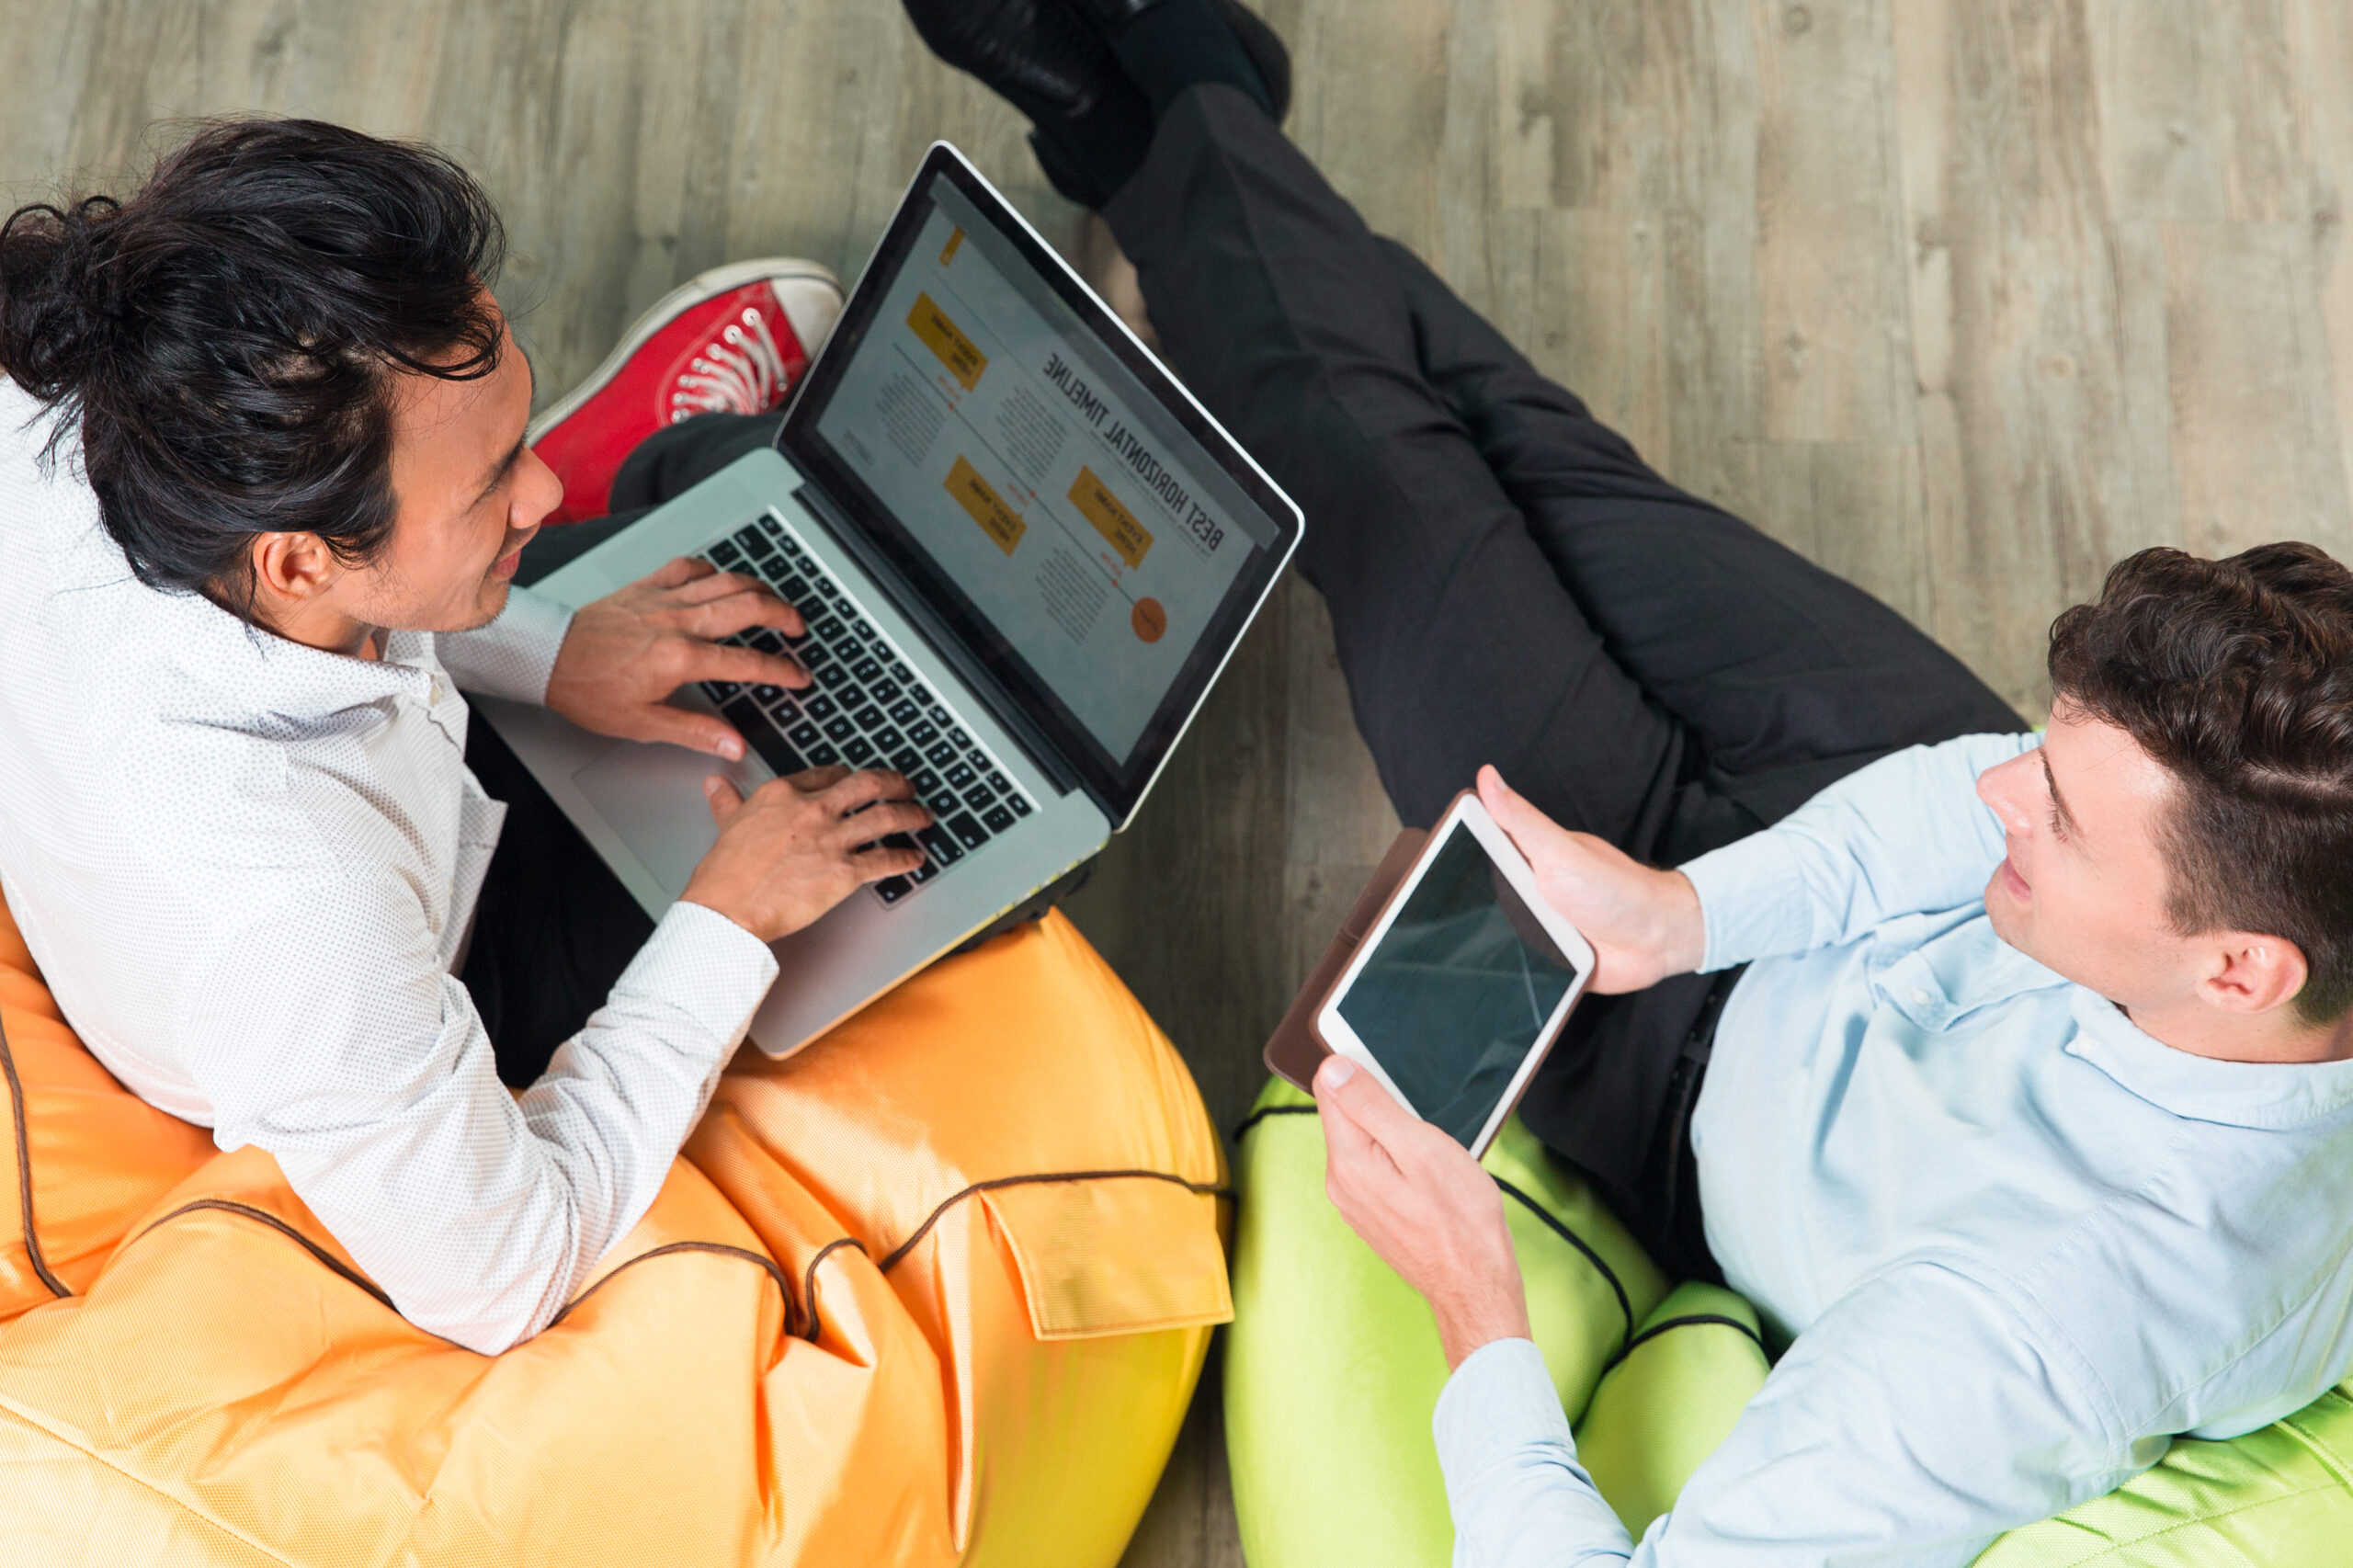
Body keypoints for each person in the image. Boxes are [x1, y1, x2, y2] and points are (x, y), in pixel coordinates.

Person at [908, 3, 2353, 1563]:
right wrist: (1685, 904)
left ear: (2236, 966)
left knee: (1389, 493)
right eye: (2051, 757)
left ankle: (1164, 112)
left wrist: (1477, 1304)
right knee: (1518, 435)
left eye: (2063, 813)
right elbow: (1961, 796)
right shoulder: (2240, 877)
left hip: (1686, 1062)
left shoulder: (2016, 1341)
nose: (2011, 791)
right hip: (1797, 846)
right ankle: (1171, 124)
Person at [0, 119, 936, 1355]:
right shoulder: (300, 924)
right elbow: (507, 1270)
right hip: (430, 943)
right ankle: (632, 448)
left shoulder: (83, 377)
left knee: (753, 499)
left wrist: (550, 647)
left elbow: (348, 609)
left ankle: (613, 453)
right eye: (497, 480)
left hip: (398, 754)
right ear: (300, 556)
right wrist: (729, 921)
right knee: (903, 821)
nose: (539, 501)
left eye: (523, 438)